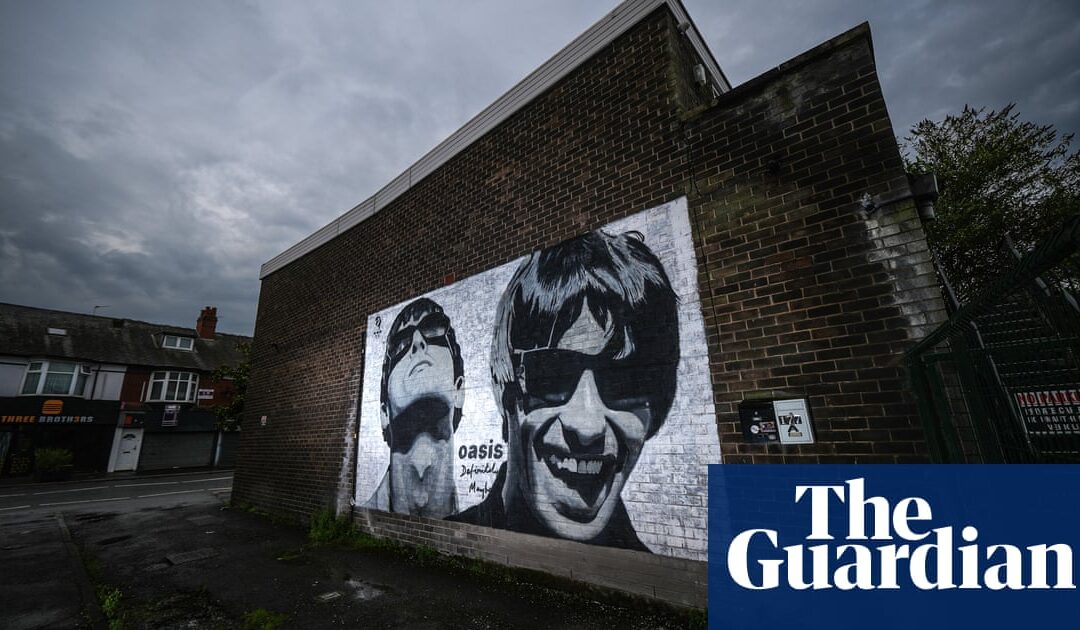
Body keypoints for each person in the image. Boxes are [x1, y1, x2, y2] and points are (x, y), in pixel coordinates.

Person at [449, 229, 679, 551]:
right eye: (553, 375)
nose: (586, 427)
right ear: (506, 391)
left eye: (627, 383)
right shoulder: (448, 539)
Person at [364, 297, 464, 518]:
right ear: (384, 413)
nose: (418, 342)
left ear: (459, 391)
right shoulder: (364, 515)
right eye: (401, 343)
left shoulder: (481, 521)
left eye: (433, 328)